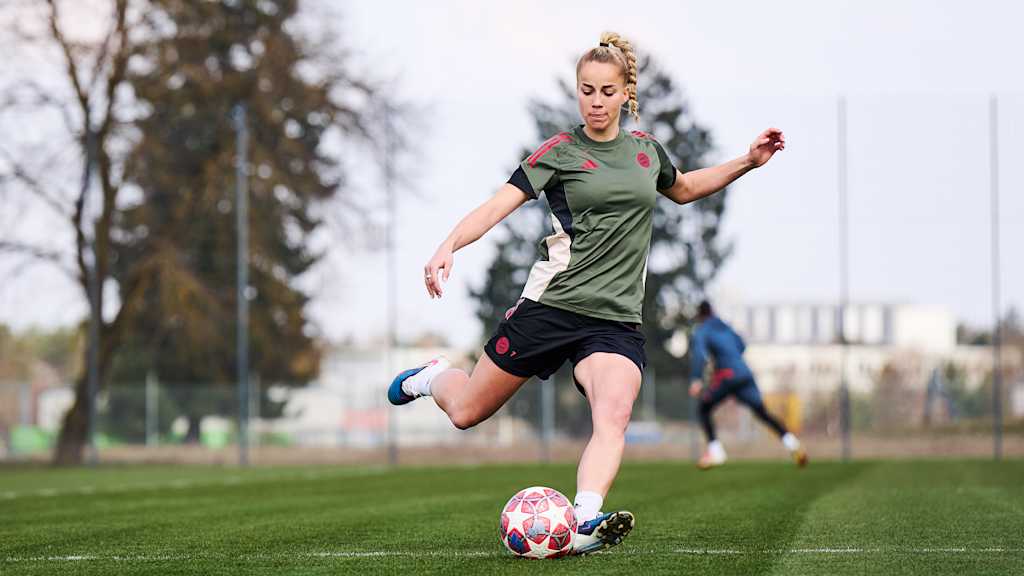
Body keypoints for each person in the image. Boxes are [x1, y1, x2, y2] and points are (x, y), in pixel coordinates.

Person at [388, 31, 786, 554]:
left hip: (614, 321)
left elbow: (685, 189)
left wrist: (747, 161)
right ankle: (435, 377)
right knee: (465, 412)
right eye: (586, 90)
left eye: (605, 91)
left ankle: (582, 521)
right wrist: (449, 245)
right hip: (550, 306)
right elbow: (494, 207)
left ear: (626, 94)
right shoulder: (560, 152)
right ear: (577, 93)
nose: (595, 101)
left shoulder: (647, 154)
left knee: (614, 412)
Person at [688, 300, 808, 469]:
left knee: (704, 408)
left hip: (727, 375)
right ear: (713, 312)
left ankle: (716, 452)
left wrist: (696, 379)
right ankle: (793, 445)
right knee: (762, 412)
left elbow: (699, 355)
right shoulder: (726, 327)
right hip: (745, 374)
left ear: (700, 316)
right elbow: (742, 345)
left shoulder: (703, 330)